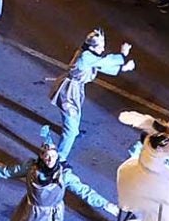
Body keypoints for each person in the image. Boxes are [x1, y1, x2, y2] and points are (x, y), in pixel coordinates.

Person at [47, 29, 135, 161]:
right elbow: (104, 62)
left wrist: (122, 68)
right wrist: (122, 55)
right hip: (68, 91)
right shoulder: (86, 57)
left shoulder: (89, 56)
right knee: (70, 123)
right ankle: (60, 158)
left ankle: (73, 133)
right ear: (92, 46)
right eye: (100, 45)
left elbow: (100, 65)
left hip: (75, 89)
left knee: (76, 114)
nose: (103, 48)